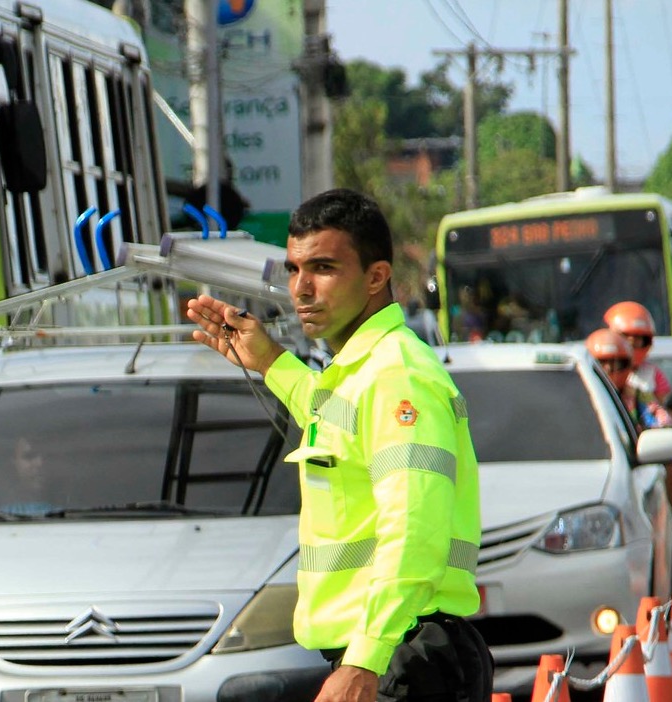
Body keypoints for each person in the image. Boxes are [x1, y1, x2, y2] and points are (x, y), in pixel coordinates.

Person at [186, 188, 491, 702]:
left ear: (376, 276)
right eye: (293, 269)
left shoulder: (396, 375)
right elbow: (339, 429)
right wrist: (269, 361)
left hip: (403, 659)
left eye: (323, 268)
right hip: (390, 654)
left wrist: (366, 661)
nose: (301, 289)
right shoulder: (363, 370)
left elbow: (414, 531)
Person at [602, 301, 672, 505]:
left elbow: (664, 418)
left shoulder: (648, 382)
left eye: (638, 341)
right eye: (606, 364)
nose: (612, 370)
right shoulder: (589, 377)